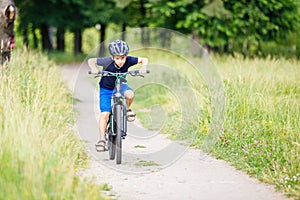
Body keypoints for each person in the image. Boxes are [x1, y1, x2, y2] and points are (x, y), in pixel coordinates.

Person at [88, 40, 148, 152]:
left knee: (130, 95)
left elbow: (144, 59)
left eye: (123, 58)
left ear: (126, 56)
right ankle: (102, 139)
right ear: (112, 57)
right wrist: (94, 68)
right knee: (105, 114)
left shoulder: (129, 60)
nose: (120, 61)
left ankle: (128, 109)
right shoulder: (106, 61)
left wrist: (143, 67)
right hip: (106, 89)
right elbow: (91, 60)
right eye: (117, 58)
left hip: (121, 86)